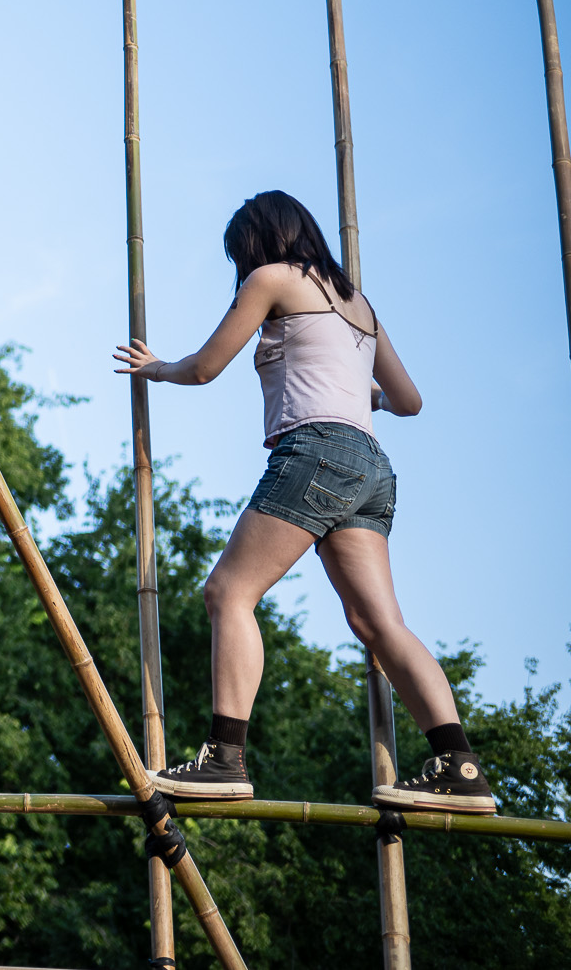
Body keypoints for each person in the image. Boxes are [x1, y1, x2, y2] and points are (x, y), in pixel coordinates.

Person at [115, 191, 495, 814]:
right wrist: (357, 394)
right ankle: (461, 766)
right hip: (371, 467)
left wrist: (157, 368)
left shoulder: (271, 278)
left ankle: (225, 758)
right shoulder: (358, 304)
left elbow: (208, 366)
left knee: (228, 593)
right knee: (379, 624)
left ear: (259, 242)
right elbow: (408, 401)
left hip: (314, 452)